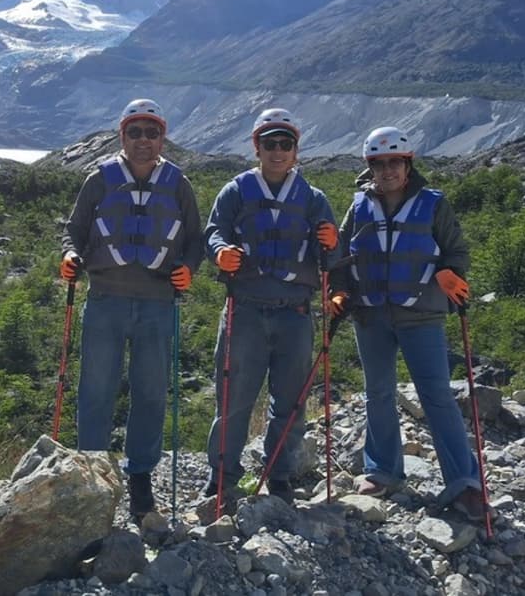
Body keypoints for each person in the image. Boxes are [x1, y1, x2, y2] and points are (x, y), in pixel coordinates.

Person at [329, 125, 486, 521]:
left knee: (436, 396)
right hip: (371, 314)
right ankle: (382, 471)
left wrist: (451, 272)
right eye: (379, 164)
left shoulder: (434, 204)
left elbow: (456, 250)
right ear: (370, 167)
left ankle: (465, 483)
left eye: (394, 162)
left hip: (422, 314)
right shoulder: (358, 206)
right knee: (377, 392)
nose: (387, 171)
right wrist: (339, 290)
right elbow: (342, 257)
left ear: (408, 163)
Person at [61, 98, 204, 519]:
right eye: (135, 131)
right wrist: (70, 256)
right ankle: (92, 469)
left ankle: (140, 477)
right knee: (96, 389)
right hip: (105, 299)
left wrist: (189, 269)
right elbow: (74, 229)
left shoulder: (178, 183)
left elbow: (195, 239)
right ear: (122, 135)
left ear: (163, 137)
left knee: (151, 392)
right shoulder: (99, 179)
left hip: (158, 303)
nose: (144, 140)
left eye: (152, 132)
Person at [203, 108, 338, 507]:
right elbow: (213, 232)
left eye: (286, 144)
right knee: (233, 398)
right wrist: (218, 252)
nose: (278, 151)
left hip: (294, 312)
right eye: (270, 143)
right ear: (256, 147)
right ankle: (222, 477)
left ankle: (278, 474)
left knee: (291, 400)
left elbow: (333, 258)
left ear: (296, 150)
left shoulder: (314, 200)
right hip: (244, 309)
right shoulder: (235, 191)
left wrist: (332, 241)